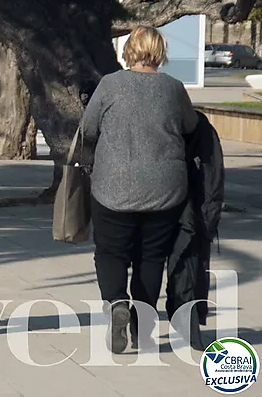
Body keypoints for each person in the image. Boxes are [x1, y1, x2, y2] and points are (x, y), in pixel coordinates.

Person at [80, 25, 198, 354]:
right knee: (151, 257)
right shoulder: (174, 88)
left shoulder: (110, 84)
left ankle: (117, 301)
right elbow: (190, 126)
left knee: (110, 251)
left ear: (128, 51)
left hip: (112, 187)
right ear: (160, 51)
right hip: (165, 189)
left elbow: (88, 128)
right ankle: (140, 324)